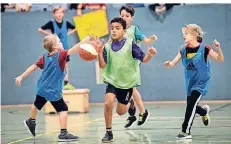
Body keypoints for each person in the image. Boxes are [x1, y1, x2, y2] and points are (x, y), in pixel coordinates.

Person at [15, 34, 91, 142]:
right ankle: (63, 133)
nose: (62, 43)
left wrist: (21, 77)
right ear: (55, 47)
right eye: (59, 42)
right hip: (53, 90)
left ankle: (31, 121)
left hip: (42, 88)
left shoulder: (44, 57)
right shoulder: (60, 55)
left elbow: (33, 67)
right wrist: (84, 41)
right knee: (63, 109)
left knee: (36, 104)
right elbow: (74, 49)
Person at [98, 17, 157, 142]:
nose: (114, 31)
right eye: (112, 28)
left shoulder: (131, 45)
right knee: (108, 103)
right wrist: (99, 53)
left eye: (117, 28)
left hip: (126, 84)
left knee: (120, 112)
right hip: (112, 80)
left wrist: (150, 54)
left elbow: (144, 60)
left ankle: (130, 102)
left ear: (124, 31)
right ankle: (108, 132)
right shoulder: (107, 47)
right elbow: (102, 66)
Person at [164, 24, 224, 140]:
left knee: (191, 105)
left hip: (201, 83)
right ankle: (203, 112)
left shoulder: (205, 48)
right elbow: (173, 62)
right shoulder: (183, 50)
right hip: (190, 83)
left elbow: (220, 59)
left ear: (195, 35)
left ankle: (185, 132)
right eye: (183, 34)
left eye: (186, 34)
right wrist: (169, 64)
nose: (184, 36)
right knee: (191, 105)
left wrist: (218, 48)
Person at [119, 5, 157, 128]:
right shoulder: (118, 29)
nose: (124, 18)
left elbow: (146, 42)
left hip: (132, 62)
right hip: (120, 63)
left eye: (127, 16)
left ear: (132, 18)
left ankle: (142, 112)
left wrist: (150, 39)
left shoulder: (134, 30)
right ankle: (132, 114)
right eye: (122, 15)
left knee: (131, 88)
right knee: (123, 89)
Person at [38, 6, 76, 90]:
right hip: (55, 49)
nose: (59, 14)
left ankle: (66, 83)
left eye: (61, 12)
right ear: (54, 14)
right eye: (57, 12)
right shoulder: (51, 23)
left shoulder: (66, 23)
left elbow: (75, 28)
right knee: (55, 66)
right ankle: (51, 83)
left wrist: (68, 34)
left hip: (65, 48)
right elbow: (40, 29)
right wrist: (50, 35)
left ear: (63, 14)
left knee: (65, 66)